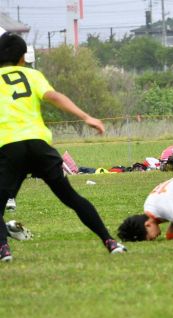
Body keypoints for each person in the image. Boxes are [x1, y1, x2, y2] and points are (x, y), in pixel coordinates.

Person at [0, 32, 126, 262]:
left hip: (9, 146)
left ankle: (3, 249)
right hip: (39, 145)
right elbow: (55, 96)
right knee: (71, 197)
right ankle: (110, 241)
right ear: (21, 58)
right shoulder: (32, 74)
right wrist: (86, 117)